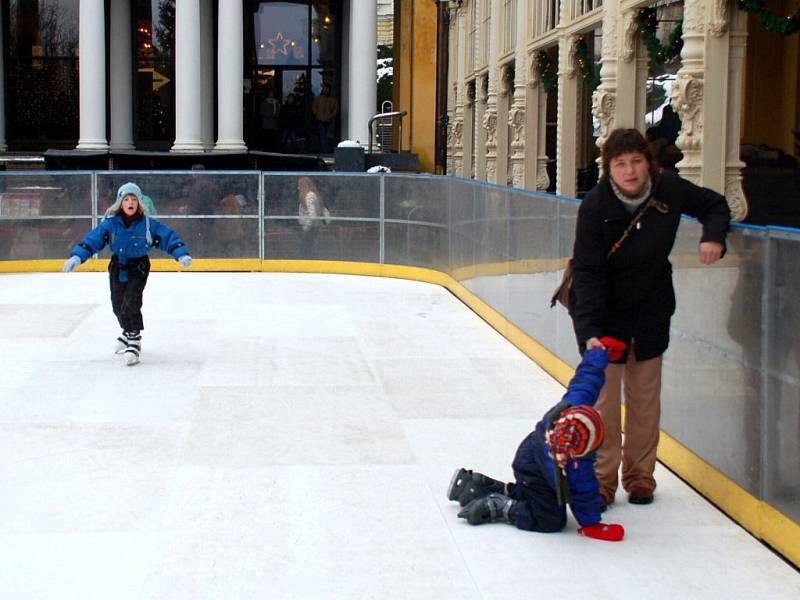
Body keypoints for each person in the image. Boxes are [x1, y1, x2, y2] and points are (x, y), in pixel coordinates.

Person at [570, 128, 730, 508]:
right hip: (605, 319)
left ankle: (640, 477)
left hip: (650, 315)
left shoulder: (668, 189)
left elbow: (715, 204)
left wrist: (713, 236)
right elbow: (588, 273)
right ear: (608, 168)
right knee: (605, 405)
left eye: (636, 161)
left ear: (648, 163)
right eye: (620, 164)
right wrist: (589, 331)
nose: (630, 171)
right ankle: (603, 481)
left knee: (644, 404)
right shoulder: (594, 208)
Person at [447, 339, 627, 541]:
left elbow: (586, 382)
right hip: (535, 471)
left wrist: (598, 355)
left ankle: (483, 486)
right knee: (550, 518)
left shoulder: (569, 408)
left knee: (537, 494)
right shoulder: (575, 462)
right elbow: (583, 492)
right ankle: (500, 506)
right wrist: (592, 524)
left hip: (528, 455)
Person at [62, 182, 192, 366]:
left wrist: (181, 253)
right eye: (126, 199)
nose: (130, 203)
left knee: (131, 301)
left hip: (138, 266)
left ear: (139, 203)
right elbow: (93, 240)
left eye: (134, 199)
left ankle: (134, 337)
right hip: (118, 265)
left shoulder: (148, 224)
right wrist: (77, 257)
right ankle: (126, 331)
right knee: (117, 304)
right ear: (120, 203)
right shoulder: (111, 224)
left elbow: (167, 237)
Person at [297, 176, 331, 258]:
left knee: (306, 249)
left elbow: (313, 215)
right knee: (309, 248)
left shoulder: (309, 196)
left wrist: (306, 227)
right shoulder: (311, 195)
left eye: (299, 185)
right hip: (311, 227)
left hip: (310, 228)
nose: (298, 188)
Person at [311, 82, 338, 153]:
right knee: (322, 135)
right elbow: (314, 107)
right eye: (324, 89)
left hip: (328, 120)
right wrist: (316, 114)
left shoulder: (332, 99)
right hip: (320, 119)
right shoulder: (318, 98)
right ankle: (323, 149)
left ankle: (324, 148)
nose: (325, 90)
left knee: (325, 135)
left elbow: (335, 109)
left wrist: (331, 115)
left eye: (327, 89)